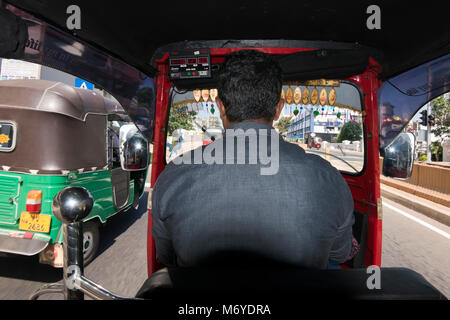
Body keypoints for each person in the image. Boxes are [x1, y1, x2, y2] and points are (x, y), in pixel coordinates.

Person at [151, 49, 357, 269]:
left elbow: (166, 257)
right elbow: (341, 253)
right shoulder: (328, 178)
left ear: (220, 106)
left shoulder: (173, 176)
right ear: (279, 109)